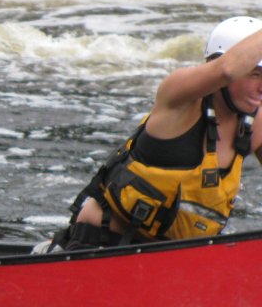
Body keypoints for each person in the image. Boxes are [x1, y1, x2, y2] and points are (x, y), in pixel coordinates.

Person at [46, 15, 262, 252]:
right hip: (101, 249)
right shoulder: (179, 97)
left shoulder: (255, 122)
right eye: (254, 74)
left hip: (178, 262)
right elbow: (228, 70)